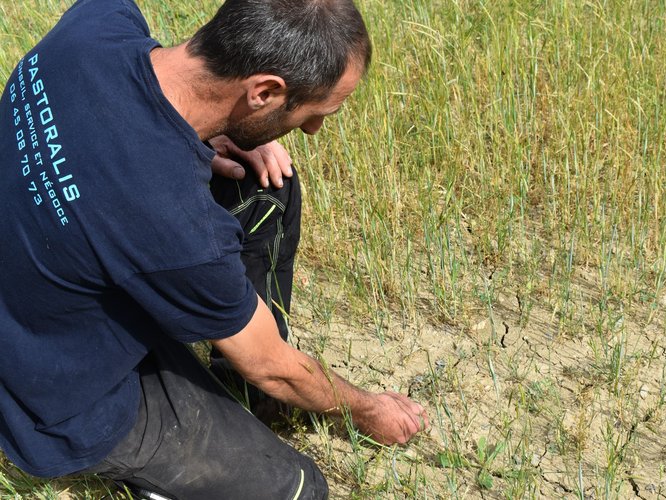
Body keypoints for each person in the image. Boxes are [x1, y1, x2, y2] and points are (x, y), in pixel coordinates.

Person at [0, 0, 429, 498]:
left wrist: (211, 129)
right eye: (317, 113)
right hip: (54, 393)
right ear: (264, 91)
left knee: (266, 187)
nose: (314, 129)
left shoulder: (96, 23)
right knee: (298, 488)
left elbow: (133, 117)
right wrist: (367, 408)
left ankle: (236, 388)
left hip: (38, 269)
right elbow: (273, 367)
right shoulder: (174, 223)